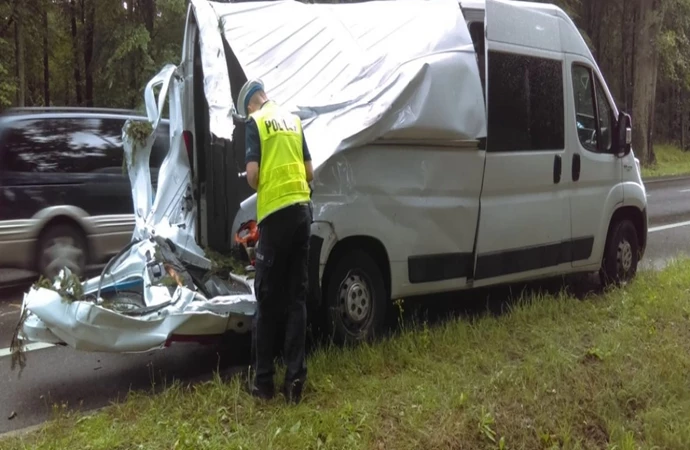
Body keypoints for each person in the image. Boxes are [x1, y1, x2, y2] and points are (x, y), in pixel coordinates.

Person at [238, 79, 314, 404]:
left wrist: (259, 177)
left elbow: (253, 175)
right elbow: (310, 172)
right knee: (296, 299)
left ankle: (263, 384)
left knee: (266, 302)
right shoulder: (293, 120)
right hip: (302, 214)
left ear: (250, 105)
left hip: (276, 218)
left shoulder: (256, 123)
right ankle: (295, 382)